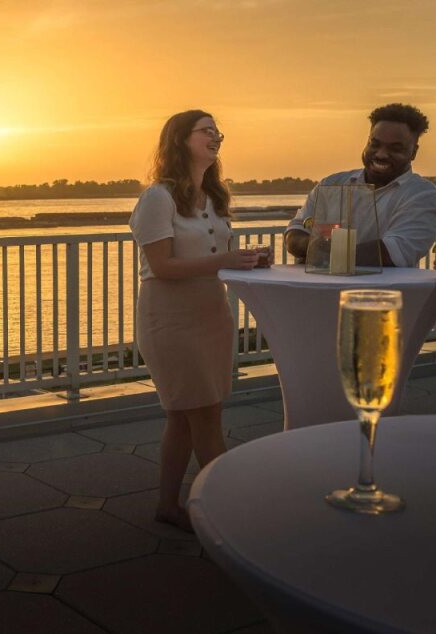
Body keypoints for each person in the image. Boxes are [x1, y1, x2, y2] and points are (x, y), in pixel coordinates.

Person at [129, 110, 258, 532]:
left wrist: (245, 262)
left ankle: (168, 505)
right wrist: (225, 260)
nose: (216, 136)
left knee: (185, 415)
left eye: (218, 131)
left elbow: (214, 257)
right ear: (181, 139)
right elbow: (162, 266)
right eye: (207, 130)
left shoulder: (214, 197)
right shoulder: (158, 197)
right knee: (203, 415)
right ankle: (228, 512)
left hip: (212, 314)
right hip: (171, 318)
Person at [285, 103, 436, 267]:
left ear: (413, 152)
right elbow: (295, 232)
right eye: (375, 144)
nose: (381, 154)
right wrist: (310, 244)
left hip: (382, 286)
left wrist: (318, 251)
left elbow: (394, 253)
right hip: (316, 284)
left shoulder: (424, 196)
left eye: (395, 148)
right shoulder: (331, 183)